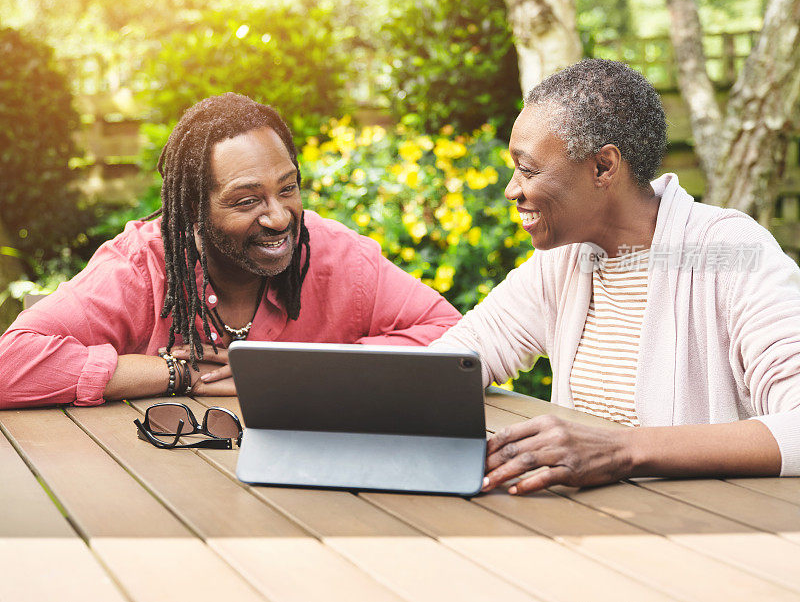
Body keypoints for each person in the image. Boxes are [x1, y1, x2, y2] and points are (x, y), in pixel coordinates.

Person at [431, 58, 800, 493]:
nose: (512, 189)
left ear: (603, 167)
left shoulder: (732, 251)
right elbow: (450, 366)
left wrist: (622, 450)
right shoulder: (565, 261)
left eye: (528, 169)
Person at [0, 93, 460, 408]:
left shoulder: (338, 257)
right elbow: (10, 364)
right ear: (194, 211)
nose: (279, 217)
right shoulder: (141, 267)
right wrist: (175, 372)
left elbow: (453, 340)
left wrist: (294, 374)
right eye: (247, 200)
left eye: (288, 189)